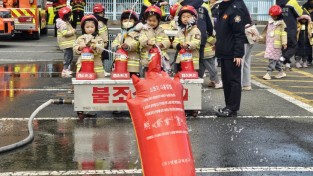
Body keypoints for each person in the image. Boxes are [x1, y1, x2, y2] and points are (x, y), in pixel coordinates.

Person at [215, 0, 246, 118]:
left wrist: (238, 53)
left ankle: (232, 108)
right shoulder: (224, 7)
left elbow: (239, 33)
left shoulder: (235, 8)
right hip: (225, 51)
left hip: (232, 52)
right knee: (227, 81)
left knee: (233, 81)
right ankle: (228, 106)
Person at [139, 5, 171, 75]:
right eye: (149, 20)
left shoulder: (161, 31)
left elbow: (167, 41)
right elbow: (141, 40)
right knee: (147, 78)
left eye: (154, 21)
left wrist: (162, 44)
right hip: (147, 60)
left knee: (160, 79)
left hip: (160, 60)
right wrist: (147, 42)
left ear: (158, 21)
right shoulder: (144, 30)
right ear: (146, 20)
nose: (152, 23)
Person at [259, 5, 287, 80]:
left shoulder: (281, 24)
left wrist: (284, 43)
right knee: (275, 59)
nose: (273, 17)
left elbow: (284, 34)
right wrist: (260, 38)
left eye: (275, 16)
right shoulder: (270, 22)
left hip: (276, 45)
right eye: (272, 16)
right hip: (269, 43)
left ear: (279, 15)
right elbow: (265, 32)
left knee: (272, 59)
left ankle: (268, 73)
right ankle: (281, 72)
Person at [111, 10, 141, 77]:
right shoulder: (120, 35)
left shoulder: (137, 34)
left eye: (130, 21)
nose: (127, 23)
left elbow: (136, 44)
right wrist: (117, 46)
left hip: (132, 68)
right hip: (119, 65)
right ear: (121, 22)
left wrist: (128, 46)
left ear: (135, 22)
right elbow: (113, 44)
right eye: (125, 21)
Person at [276, 0, 303, 70]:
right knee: (293, 46)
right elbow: (300, 13)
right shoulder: (292, 2)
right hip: (290, 28)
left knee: (284, 46)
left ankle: (286, 64)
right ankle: (283, 58)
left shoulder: (277, 2)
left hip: (280, 28)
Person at [173, 5, 201, 72]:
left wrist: (187, 45)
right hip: (180, 60)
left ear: (193, 18)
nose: (185, 19)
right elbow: (174, 42)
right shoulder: (180, 31)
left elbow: (196, 42)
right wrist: (178, 45)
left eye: (188, 17)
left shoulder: (195, 30)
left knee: (191, 80)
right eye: (183, 17)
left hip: (192, 62)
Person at [56, 7, 76, 77]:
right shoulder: (63, 24)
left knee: (70, 56)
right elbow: (65, 33)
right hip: (66, 44)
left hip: (68, 44)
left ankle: (67, 69)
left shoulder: (66, 22)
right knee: (67, 57)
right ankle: (64, 70)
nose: (69, 16)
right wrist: (73, 31)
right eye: (68, 15)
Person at [93, 3, 110, 75]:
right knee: (100, 58)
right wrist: (105, 42)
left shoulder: (94, 20)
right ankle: (101, 71)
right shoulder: (100, 22)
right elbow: (103, 34)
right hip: (102, 43)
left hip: (97, 43)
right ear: (102, 12)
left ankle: (101, 71)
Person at [302, 0, 313, 65]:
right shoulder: (306, 5)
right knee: (308, 43)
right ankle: (309, 59)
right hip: (309, 26)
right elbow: (302, 12)